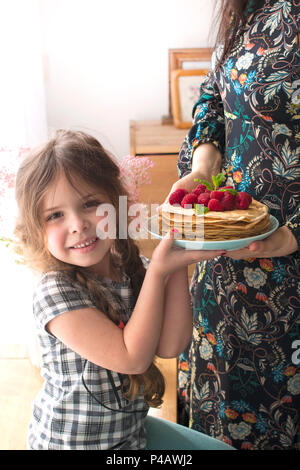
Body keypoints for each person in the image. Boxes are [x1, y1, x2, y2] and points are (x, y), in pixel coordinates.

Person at [14, 129, 233, 450]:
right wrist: (158, 271)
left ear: (117, 205)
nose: (77, 224)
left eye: (90, 204)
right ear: (36, 228)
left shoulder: (133, 268)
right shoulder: (54, 292)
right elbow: (132, 359)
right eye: (55, 215)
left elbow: (172, 345)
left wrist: (176, 261)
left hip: (129, 438)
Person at [164, 0, 300, 450]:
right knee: (221, 408)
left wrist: (292, 233)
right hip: (229, 262)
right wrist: (203, 164)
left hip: (290, 278)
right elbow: (215, 91)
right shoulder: (251, 7)